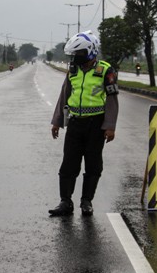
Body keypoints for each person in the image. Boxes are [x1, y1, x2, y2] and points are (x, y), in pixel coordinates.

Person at [49, 31, 119, 217]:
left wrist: (110, 126)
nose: (74, 58)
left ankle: (86, 201)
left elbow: (112, 100)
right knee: (68, 164)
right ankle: (65, 202)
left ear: (89, 52)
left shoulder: (106, 71)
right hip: (75, 124)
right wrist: (58, 122)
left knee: (93, 164)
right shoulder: (73, 71)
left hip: (96, 125)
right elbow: (64, 96)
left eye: (77, 54)